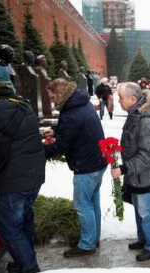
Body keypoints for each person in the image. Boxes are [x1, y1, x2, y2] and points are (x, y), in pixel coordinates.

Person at [0, 64, 45, 273]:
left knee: (9, 229)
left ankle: (31, 272)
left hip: (10, 183)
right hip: (33, 179)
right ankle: (25, 261)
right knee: (25, 221)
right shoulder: (24, 106)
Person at [44, 78, 107, 258]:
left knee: (82, 205)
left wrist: (38, 151)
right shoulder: (79, 103)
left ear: (61, 94)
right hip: (97, 161)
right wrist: (56, 130)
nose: (52, 100)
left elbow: (61, 146)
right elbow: (74, 128)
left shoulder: (71, 112)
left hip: (86, 166)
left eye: (53, 96)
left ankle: (87, 244)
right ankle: (93, 238)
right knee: (92, 202)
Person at [111, 83, 150, 262]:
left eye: (121, 97)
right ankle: (144, 239)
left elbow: (148, 153)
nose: (118, 101)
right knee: (140, 209)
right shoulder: (137, 112)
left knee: (147, 211)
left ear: (133, 99)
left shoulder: (147, 119)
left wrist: (125, 168)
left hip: (145, 174)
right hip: (138, 173)